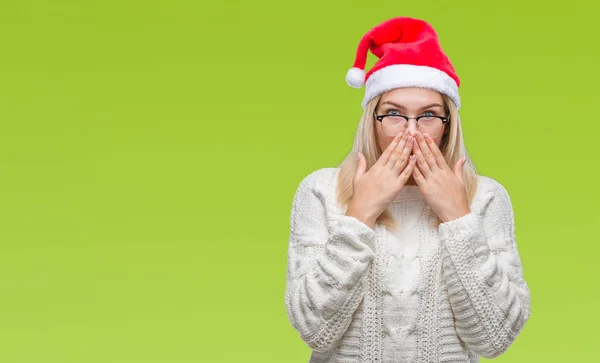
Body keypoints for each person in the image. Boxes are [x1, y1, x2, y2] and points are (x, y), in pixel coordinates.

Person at [283, 17, 531, 363]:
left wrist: (458, 217)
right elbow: (314, 329)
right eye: (394, 114)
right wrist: (361, 213)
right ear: (372, 119)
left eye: (428, 115)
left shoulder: (486, 198)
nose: (411, 132)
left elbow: (494, 339)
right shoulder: (321, 191)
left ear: (448, 126)